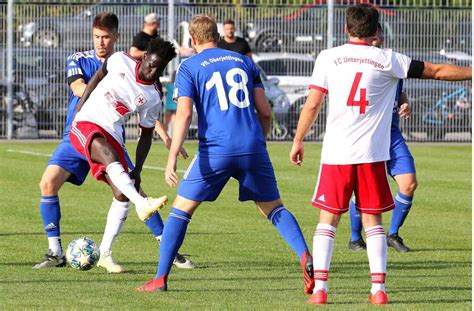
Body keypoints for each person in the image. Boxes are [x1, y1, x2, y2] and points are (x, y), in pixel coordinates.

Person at [289, 4, 471, 305]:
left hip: (336, 154)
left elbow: (312, 104)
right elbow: (437, 71)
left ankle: (320, 289)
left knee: (328, 219)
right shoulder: (388, 59)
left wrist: (298, 139)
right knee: (373, 221)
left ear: (347, 29)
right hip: (372, 154)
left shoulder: (328, 57)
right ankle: (378, 291)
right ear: (376, 31)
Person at [136, 14, 314, 294]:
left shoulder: (189, 66)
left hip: (216, 149)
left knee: (181, 211)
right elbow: (265, 111)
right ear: (217, 37)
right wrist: (259, 141)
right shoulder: (244, 61)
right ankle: (305, 256)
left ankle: (159, 279)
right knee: (274, 208)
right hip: (253, 146)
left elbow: (183, 114)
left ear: (193, 41)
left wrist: (171, 155)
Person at [348, 23, 416, 253]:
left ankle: (393, 234)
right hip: (366, 134)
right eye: (370, 38)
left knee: (409, 183)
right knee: (362, 190)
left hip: (392, 134)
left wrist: (405, 101)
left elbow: (399, 89)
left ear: (381, 38)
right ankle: (355, 238)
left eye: (377, 38)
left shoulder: (391, 61)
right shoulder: (356, 63)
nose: (374, 42)